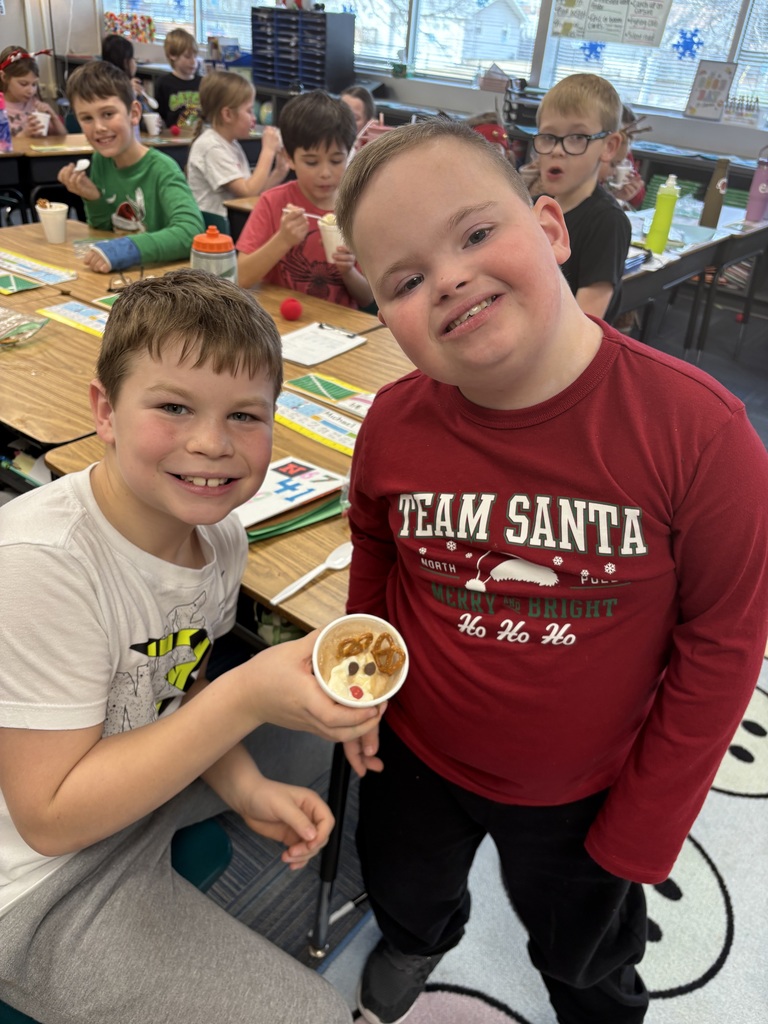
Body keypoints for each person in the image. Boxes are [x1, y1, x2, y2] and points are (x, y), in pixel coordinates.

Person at [333, 118, 768, 1024]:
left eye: (478, 233)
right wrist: (361, 679)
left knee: (586, 953)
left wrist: (650, 821)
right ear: (385, 311)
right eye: (406, 280)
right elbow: (376, 543)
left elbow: (724, 644)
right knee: (405, 890)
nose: (449, 277)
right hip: (415, 749)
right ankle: (420, 942)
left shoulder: (701, 432)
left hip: (589, 789)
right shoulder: (393, 420)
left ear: (553, 229)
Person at [0, 268, 386, 1024]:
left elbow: (174, 688)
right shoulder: (42, 567)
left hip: (130, 784)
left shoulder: (220, 535)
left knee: (312, 738)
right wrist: (246, 697)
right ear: (104, 412)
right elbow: (47, 818)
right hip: (35, 881)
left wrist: (244, 786)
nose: (212, 444)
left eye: (246, 415)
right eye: (174, 407)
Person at [57, 61, 204, 274]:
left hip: (163, 283)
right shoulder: (100, 160)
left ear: (134, 113)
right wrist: (93, 197)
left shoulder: (162, 168)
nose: (99, 127)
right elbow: (104, 230)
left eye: (108, 114)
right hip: (127, 277)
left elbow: (191, 232)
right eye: (87, 118)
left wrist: (127, 248)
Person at [236, 89, 373, 309]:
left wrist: (348, 271)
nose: (325, 173)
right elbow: (242, 278)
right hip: (283, 322)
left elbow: (368, 297)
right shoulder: (274, 202)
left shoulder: (357, 209)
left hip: (339, 328)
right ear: (289, 158)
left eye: (337, 160)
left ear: (350, 154)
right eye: (311, 162)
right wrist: (283, 240)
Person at [528, 73, 631, 323]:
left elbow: (585, 321)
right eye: (549, 137)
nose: (557, 151)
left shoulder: (607, 222)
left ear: (608, 147)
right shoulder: (536, 207)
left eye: (577, 138)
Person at [186, 70, 288, 224]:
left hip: (233, 223)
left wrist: (279, 171)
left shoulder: (231, 145)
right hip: (215, 230)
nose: (254, 118)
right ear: (227, 114)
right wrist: (268, 150)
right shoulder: (211, 147)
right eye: (249, 110)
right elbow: (247, 191)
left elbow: (255, 192)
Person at [0, 45, 65, 137]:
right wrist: (23, 135)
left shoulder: (35, 103)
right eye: (23, 84)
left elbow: (63, 136)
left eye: (34, 84)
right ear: (4, 77)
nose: (31, 91)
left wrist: (53, 117)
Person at [156, 27, 203, 130]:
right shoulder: (164, 83)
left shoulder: (203, 83)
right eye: (187, 57)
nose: (193, 62)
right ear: (172, 55)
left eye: (195, 56)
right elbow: (160, 117)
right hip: (173, 138)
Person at [101, 33, 158, 117]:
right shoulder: (129, 89)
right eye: (133, 58)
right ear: (125, 62)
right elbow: (144, 119)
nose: (134, 62)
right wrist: (132, 94)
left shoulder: (102, 84)